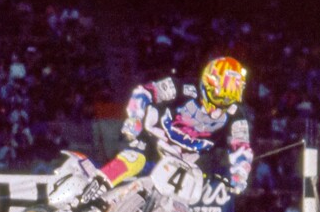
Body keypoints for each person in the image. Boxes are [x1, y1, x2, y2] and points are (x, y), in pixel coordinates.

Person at [96, 55, 254, 196]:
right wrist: (135, 117)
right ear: (208, 83)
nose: (221, 105)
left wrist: (240, 174)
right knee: (132, 160)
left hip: (186, 161)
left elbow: (242, 147)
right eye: (221, 96)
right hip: (154, 141)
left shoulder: (236, 116)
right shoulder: (182, 87)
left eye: (229, 98)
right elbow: (144, 92)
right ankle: (94, 188)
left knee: (185, 198)